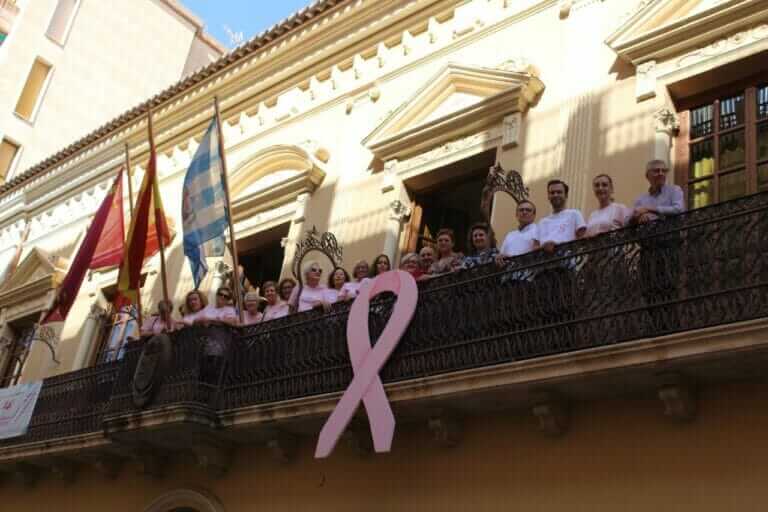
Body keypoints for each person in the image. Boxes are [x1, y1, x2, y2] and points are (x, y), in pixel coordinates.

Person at [534, 179, 586, 252]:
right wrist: (544, 247)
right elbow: (535, 247)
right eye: (552, 193)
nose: (555, 195)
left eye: (559, 192)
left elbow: (582, 240)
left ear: (566, 195)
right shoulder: (542, 222)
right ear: (548, 196)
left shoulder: (574, 214)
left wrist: (559, 246)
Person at [632, 159, 685, 224]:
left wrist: (649, 209)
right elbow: (629, 220)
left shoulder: (675, 190)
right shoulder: (640, 199)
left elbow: (678, 209)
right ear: (647, 176)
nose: (661, 173)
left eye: (664, 171)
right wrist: (639, 217)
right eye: (656, 171)